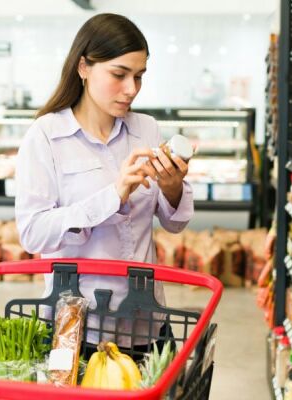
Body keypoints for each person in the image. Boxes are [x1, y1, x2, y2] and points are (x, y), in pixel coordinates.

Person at [14, 13, 194, 357]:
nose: (132, 89)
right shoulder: (46, 137)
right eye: (119, 74)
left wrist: (173, 186)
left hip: (145, 319)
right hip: (77, 326)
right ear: (83, 67)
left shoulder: (147, 129)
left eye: (139, 76)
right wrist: (113, 195)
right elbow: (33, 233)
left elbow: (176, 222)